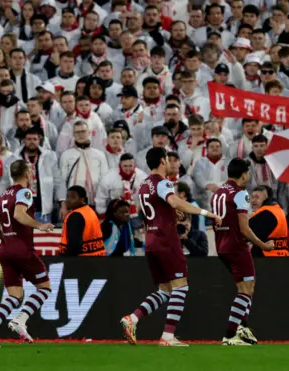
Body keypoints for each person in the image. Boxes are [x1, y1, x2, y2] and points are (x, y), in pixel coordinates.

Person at [120, 147, 222, 347]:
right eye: (167, 159)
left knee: (165, 290)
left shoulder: (143, 185)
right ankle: (167, 337)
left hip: (151, 240)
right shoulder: (163, 182)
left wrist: (171, 213)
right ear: (162, 161)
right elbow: (174, 201)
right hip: (167, 239)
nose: (169, 163)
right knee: (181, 286)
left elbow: (155, 208)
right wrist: (207, 213)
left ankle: (133, 318)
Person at [0, 160, 55, 348]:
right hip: (22, 249)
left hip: (5, 250)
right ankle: (19, 320)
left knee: (15, 296)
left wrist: (5, 239)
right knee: (44, 288)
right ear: (28, 173)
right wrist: (41, 225)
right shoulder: (25, 192)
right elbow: (19, 215)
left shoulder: (3, 196)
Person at [211, 159, 274, 346]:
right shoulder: (240, 194)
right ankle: (230, 335)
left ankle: (242, 328)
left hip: (221, 245)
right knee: (247, 290)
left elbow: (218, 221)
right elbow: (244, 228)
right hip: (236, 247)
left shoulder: (218, 193)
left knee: (246, 287)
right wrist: (263, 245)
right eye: (249, 172)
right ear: (244, 173)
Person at [59, 185, 106, 256]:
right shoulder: (91, 211)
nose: (68, 200)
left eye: (73, 197)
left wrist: (66, 260)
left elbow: (74, 244)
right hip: (98, 256)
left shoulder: (75, 216)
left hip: (81, 260)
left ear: (82, 199)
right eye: (67, 197)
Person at [249, 185, 289, 257]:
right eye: (252, 197)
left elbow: (249, 235)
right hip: (281, 255)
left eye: (257, 197)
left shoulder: (265, 213)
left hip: (265, 258)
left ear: (266, 198)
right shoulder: (277, 210)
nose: (253, 200)